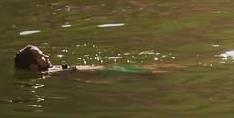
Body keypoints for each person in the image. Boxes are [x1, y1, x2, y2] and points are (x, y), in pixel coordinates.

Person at [13, 45, 157, 76]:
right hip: (105, 73)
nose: (47, 57)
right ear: (33, 67)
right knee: (151, 70)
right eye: (41, 56)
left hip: (105, 71)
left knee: (154, 68)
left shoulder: (51, 70)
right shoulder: (51, 74)